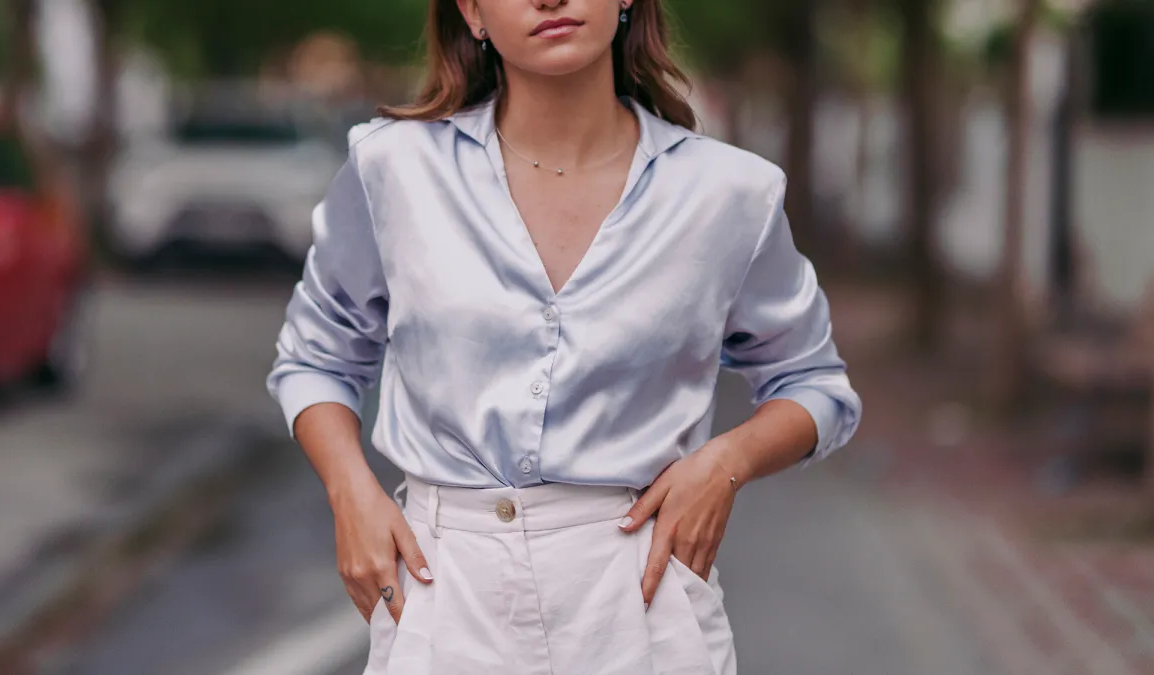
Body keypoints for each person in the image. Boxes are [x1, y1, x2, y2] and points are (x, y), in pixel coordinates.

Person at [266, 0, 862, 673]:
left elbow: (815, 383)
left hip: (643, 600)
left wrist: (727, 463)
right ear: (472, 12)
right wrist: (350, 493)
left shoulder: (728, 193)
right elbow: (316, 357)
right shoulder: (392, 169)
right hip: (442, 591)